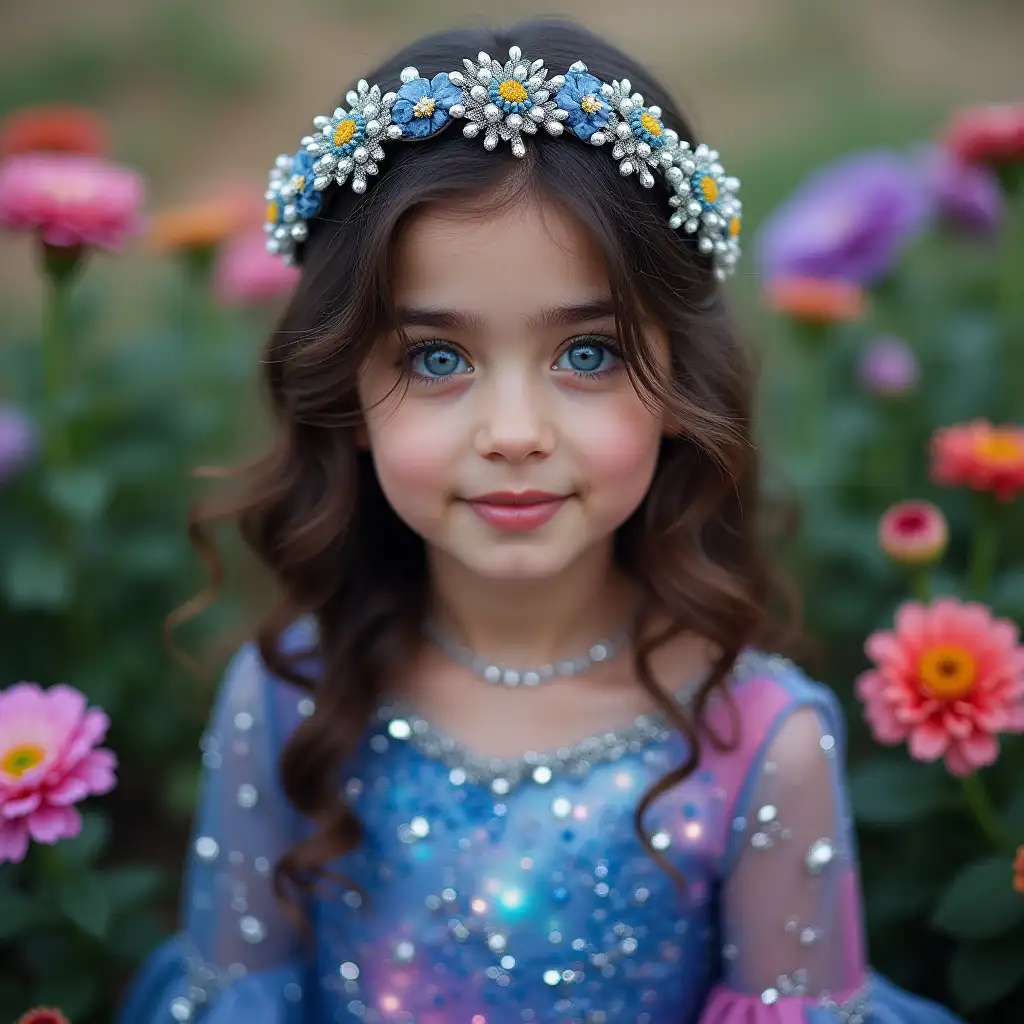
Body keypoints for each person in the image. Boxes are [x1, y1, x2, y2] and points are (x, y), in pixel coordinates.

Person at [118, 19, 964, 1024]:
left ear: (677, 385)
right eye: (437, 358)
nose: (514, 432)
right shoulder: (292, 698)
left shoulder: (756, 745)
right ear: (346, 391)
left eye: (590, 353)